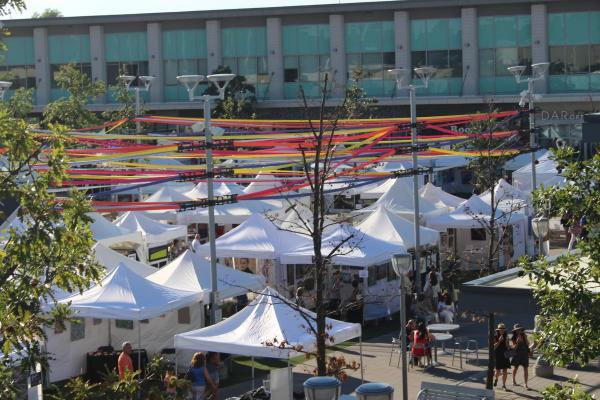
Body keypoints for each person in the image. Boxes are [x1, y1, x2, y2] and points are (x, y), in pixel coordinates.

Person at [510, 323, 531, 389]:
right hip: (517, 354)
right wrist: (517, 342)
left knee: (526, 369)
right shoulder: (513, 337)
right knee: (515, 368)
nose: (518, 331)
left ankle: (525, 384)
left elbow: (527, 344)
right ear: (515, 331)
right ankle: (513, 380)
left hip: (524, 354)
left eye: (519, 329)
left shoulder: (524, 335)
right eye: (517, 330)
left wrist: (525, 338)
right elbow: (514, 348)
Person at [493, 323, 511, 390]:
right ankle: (496, 379)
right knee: (497, 371)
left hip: (505, 355)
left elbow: (509, 348)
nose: (502, 330)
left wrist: (506, 343)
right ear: (498, 330)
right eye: (500, 329)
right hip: (498, 355)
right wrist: (499, 341)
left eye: (503, 329)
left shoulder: (506, 336)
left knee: (505, 370)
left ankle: (504, 385)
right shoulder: (495, 336)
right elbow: (494, 347)